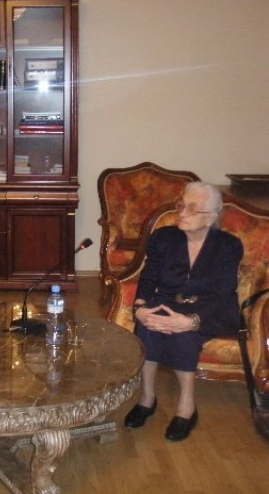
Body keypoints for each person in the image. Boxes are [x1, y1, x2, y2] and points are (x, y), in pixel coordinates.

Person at [124, 181, 243, 441]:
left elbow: (223, 294)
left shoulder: (228, 245)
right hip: (168, 300)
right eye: (181, 205)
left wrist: (191, 321)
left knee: (184, 335)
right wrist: (141, 307)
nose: (182, 213)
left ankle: (186, 407)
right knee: (147, 326)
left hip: (211, 308)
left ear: (211, 217)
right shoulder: (164, 238)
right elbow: (149, 276)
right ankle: (147, 399)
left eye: (192, 208)